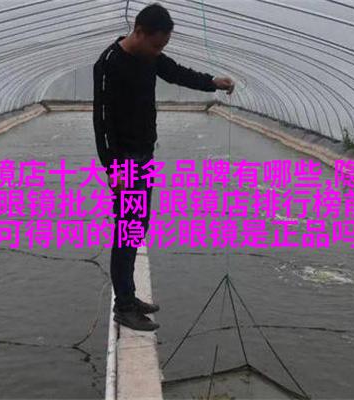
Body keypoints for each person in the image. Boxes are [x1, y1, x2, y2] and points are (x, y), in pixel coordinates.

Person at [92, 2, 234, 331]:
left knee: (137, 227)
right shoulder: (110, 62)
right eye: (156, 45)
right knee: (127, 231)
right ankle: (124, 305)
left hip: (144, 155)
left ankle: (129, 296)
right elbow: (102, 120)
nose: (159, 51)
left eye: (162, 46)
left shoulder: (150, 56)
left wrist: (214, 82)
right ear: (140, 32)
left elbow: (178, 73)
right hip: (125, 162)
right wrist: (112, 168)